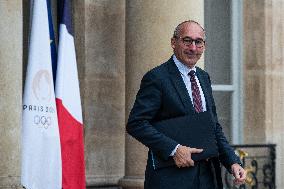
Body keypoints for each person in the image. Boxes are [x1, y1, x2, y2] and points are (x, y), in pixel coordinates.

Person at [126, 20, 246, 189]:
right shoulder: (157, 78)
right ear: (173, 42)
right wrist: (174, 149)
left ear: (204, 45)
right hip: (172, 179)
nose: (193, 48)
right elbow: (136, 123)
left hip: (207, 177)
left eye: (198, 42)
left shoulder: (204, 78)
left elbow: (213, 127)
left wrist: (232, 162)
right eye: (187, 40)